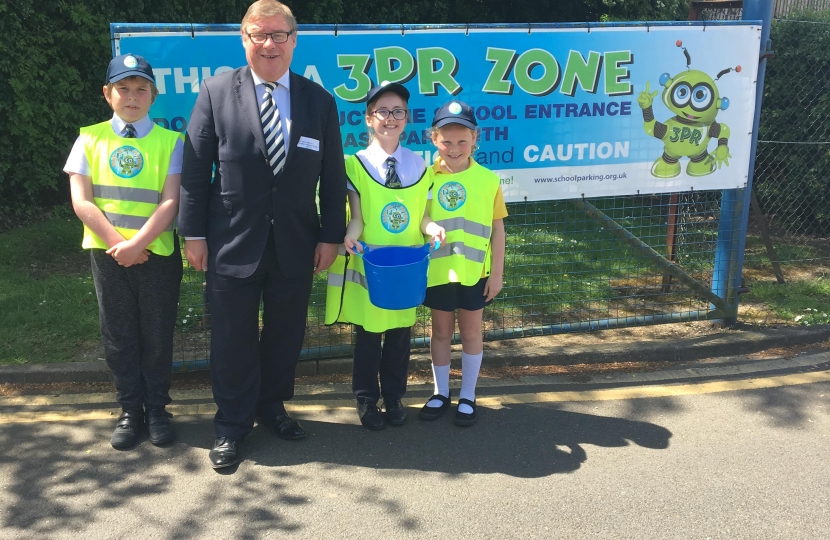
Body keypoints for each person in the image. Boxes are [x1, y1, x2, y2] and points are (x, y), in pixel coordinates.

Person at [179, 0, 347, 468]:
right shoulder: (215, 92)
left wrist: (330, 235)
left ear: (294, 40)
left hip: (296, 241)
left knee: (284, 335)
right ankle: (231, 425)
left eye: (279, 35)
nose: (269, 44)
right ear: (244, 39)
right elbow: (194, 171)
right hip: (230, 241)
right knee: (231, 339)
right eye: (259, 34)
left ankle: (271, 406)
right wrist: (192, 234)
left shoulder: (319, 100)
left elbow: (332, 177)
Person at [65, 53, 184, 449]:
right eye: (123, 88)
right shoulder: (89, 138)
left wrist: (138, 245)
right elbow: (82, 201)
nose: (132, 96)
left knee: (157, 334)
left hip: (157, 255)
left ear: (153, 95)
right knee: (118, 335)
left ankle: (158, 408)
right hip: (110, 257)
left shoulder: (172, 142)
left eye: (140, 89)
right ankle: (131, 410)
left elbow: (170, 202)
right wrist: (121, 246)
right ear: (107, 93)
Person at [325, 81, 445, 430]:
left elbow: (422, 215)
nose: (390, 118)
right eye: (382, 111)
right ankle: (366, 399)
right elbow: (358, 218)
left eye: (398, 112)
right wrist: (348, 236)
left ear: (406, 119)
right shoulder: (355, 165)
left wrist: (432, 227)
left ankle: (393, 397)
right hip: (371, 266)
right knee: (368, 337)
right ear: (368, 118)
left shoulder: (419, 165)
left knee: (399, 337)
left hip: (406, 268)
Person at [418, 100, 507, 426]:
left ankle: (467, 395)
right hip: (438, 271)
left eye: (462, 141)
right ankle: (441, 392)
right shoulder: (425, 178)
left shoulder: (488, 180)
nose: (454, 148)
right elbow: (421, 218)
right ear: (433, 139)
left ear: (475, 140)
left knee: (471, 333)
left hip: (473, 274)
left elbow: (498, 230)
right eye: (446, 141)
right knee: (440, 333)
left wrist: (496, 274)